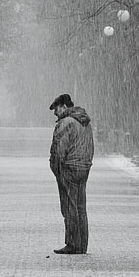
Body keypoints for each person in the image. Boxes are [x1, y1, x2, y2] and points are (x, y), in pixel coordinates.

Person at [48, 93, 94, 255]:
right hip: (84, 167)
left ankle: (72, 243)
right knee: (81, 207)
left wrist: (55, 167)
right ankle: (82, 244)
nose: (55, 113)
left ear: (64, 106)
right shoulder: (85, 122)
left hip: (69, 167)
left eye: (57, 109)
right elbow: (89, 146)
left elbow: (59, 150)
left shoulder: (66, 123)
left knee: (69, 206)